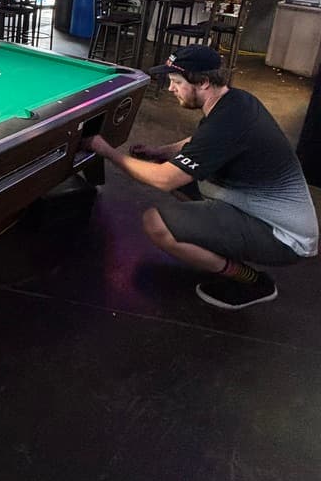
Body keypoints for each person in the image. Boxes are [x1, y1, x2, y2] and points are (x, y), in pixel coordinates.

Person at [84, 45, 318, 310]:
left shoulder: (227, 122)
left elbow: (164, 180)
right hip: (258, 211)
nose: (171, 89)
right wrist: (159, 151)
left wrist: (106, 151)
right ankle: (219, 242)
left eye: (176, 82)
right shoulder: (235, 102)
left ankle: (253, 282)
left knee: (155, 223)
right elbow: (199, 142)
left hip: (284, 238)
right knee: (180, 175)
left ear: (204, 82)